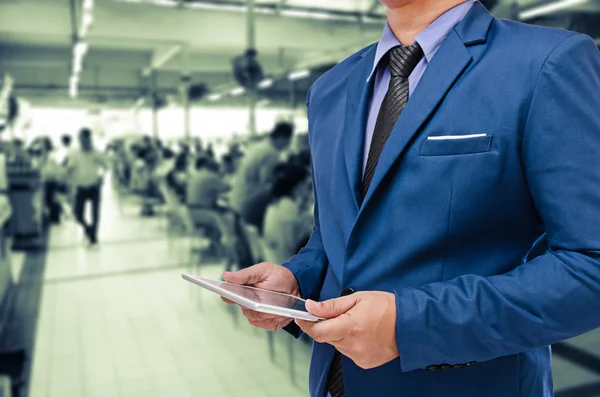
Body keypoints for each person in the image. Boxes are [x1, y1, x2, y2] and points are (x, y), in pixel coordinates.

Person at [222, 1, 600, 397]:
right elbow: (335, 234)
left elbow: (590, 265)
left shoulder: (545, 62)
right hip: (336, 383)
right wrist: (298, 278)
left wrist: (411, 326)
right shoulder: (330, 89)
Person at [229, 121, 294, 233]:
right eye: (288, 141)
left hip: (238, 200)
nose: (288, 145)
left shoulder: (260, 146)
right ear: (282, 138)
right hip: (249, 203)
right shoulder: (270, 153)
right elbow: (267, 183)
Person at [67, 128, 107, 245]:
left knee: (95, 214)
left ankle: (94, 236)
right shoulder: (75, 153)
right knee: (77, 214)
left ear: (90, 139)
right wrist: (69, 181)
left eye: (85, 139)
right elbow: (70, 168)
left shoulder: (97, 153)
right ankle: (88, 229)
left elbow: (106, 166)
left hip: (94, 187)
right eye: (81, 139)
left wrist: (101, 176)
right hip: (81, 188)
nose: (83, 142)